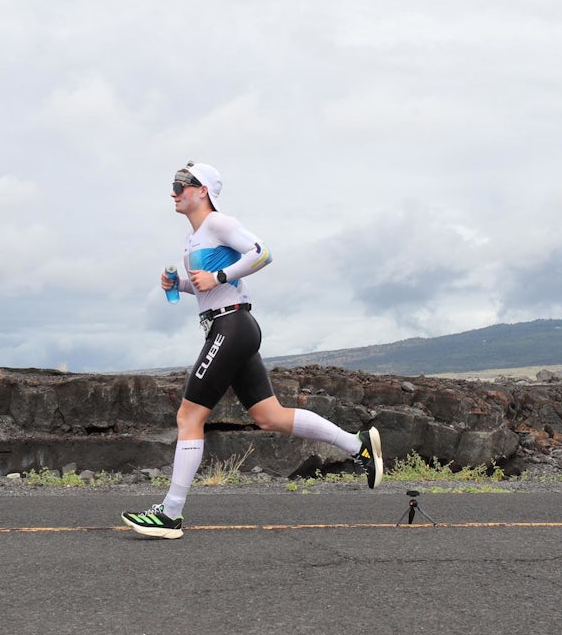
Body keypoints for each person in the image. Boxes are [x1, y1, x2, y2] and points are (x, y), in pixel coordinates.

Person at [121, 161, 383, 540]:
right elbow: (208, 288)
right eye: (174, 185)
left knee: (188, 416)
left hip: (232, 326)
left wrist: (220, 276)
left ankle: (171, 513)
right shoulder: (195, 238)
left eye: (181, 185)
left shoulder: (218, 223)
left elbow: (262, 253)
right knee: (271, 416)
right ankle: (357, 446)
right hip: (228, 325)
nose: (174, 192)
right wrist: (179, 282)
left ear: (203, 191)